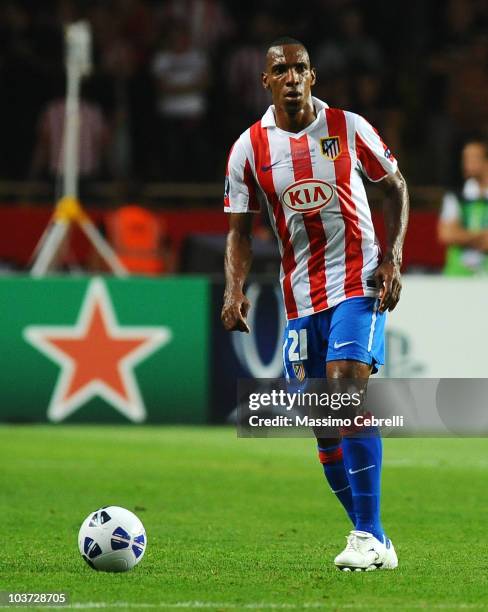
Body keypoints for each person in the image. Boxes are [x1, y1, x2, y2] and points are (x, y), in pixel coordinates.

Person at [221, 37, 409, 571]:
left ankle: (368, 535)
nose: (291, 76)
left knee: (346, 384)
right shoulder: (248, 149)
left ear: (313, 75)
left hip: (360, 278)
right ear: (266, 81)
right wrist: (234, 289)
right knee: (324, 422)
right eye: (280, 69)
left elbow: (395, 186)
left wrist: (392, 258)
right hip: (301, 295)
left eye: (299, 67)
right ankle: (374, 539)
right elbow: (239, 231)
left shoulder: (349, 128)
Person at [438, 138, 488, 275]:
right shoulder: (455, 196)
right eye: (465, 158)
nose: (467, 163)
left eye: (474, 158)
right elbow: (447, 234)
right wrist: (481, 236)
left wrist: (462, 236)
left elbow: (455, 234)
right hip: (458, 276)